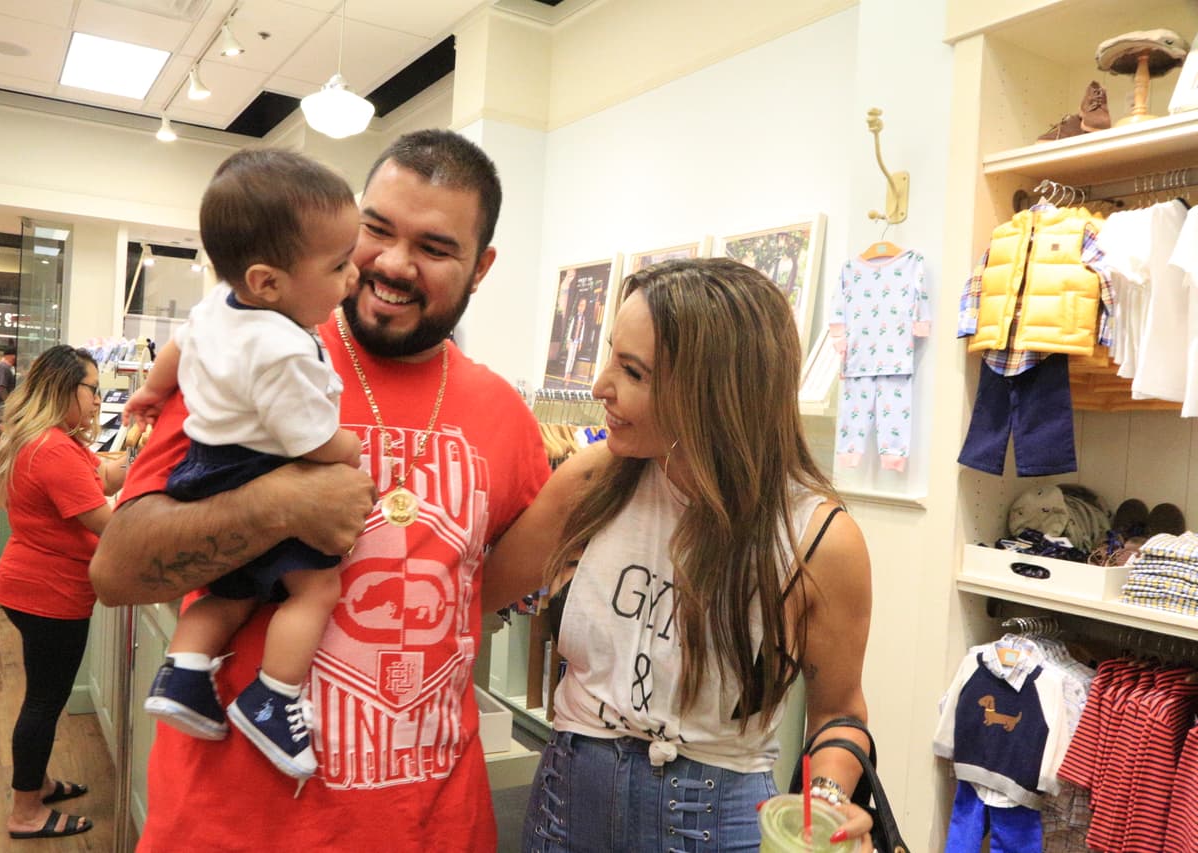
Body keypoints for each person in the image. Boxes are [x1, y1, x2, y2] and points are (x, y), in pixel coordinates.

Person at [89, 129, 550, 851]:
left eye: (434, 247)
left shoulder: (508, 418)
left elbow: (479, 591)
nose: (393, 264)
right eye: (377, 229)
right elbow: (118, 571)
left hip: (432, 827)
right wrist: (279, 505)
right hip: (231, 829)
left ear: (481, 265)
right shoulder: (253, 355)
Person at [481, 258, 877, 852]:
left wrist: (825, 801)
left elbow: (839, 709)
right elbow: (471, 600)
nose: (599, 387)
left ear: (712, 393)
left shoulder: (817, 540)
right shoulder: (596, 480)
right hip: (571, 796)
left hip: (716, 819)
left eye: (633, 371)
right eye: (612, 354)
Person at [125, 149, 364, 789]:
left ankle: (184, 672)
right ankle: (273, 695)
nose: (353, 276)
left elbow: (179, 343)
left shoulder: (217, 308)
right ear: (267, 281)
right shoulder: (282, 346)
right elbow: (308, 437)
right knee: (315, 590)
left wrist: (151, 389)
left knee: (225, 593)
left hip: (205, 468)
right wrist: (350, 452)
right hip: (257, 471)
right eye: (339, 265)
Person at [0, 345, 126, 839]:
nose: (96, 400)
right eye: (92, 389)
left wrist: (145, 459)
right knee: (45, 702)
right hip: (49, 593)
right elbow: (110, 526)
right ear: (66, 388)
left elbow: (104, 474)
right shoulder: (54, 451)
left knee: (42, 697)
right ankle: (25, 811)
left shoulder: (47, 441)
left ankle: (38, 784)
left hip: (32, 586)